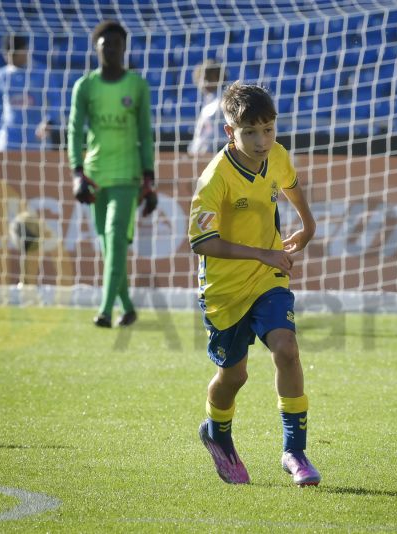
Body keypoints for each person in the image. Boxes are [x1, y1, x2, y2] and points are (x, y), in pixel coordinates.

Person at [188, 82, 320, 486]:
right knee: (234, 377)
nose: (262, 141)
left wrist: (308, 224)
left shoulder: (275, 154)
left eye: (269, 129)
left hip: (268, 278)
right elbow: (201, 242)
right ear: (230, 132)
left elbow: (290, 183)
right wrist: (262, 252)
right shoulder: (215, 178)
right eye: (250, 132)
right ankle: (217, 433)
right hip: (225, 291)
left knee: (287, 349)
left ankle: (295, 452)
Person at [68, 20, 157, 328]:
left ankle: (105, 311)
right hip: (95, 175)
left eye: (117, 45)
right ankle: (128, 307)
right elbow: (74, 131)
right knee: (108, 246)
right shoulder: (85, 86)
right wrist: (77, 173)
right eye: (106, 45)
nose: (112, 50)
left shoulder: (137, 86)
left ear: (124, 47)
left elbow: (145, 133)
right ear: (96, 48)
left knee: (116, 238)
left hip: (127, 176)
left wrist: (149, 178)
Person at [0, 34, 51, 151]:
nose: (10, 59)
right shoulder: (1, 75)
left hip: (36, 137)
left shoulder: (42, 73)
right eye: (7, 55)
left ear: (25, 50)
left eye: (14, 55)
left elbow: (56, 101)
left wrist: (48, 121)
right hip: (8, 139)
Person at [187, 59, 227, 155]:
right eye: (203, 79)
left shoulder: (224, 101)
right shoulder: (207, 101)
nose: (206, 83)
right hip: (202, 153)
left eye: (210, 79)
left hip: (218, 151)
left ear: (219, 79)